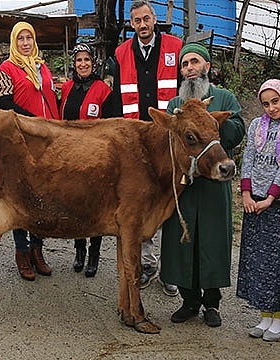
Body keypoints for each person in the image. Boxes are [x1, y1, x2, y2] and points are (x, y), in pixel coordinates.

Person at [160, 43, 246, 327]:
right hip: (185, 185)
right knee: (183, 241)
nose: (189, 69)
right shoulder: (175, 105)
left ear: (207, 67)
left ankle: (211, 303)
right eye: (184, 65)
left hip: (213, 185)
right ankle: (189, 301)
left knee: (211, 241)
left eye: (194, 62)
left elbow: (236, 132)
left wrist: (208, 123)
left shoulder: (224, 97)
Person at [110, 0, 182, 295]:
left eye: (146, 18)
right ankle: (147, 262)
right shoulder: (121, 52)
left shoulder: (176, 47)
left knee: (171, 198)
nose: (142, 24)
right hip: (136, 140)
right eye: (136, 20)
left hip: (169, 137)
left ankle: (172, 270)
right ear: (131, 24)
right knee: (140, 199)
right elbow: (117, 96)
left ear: (155, 19)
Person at [236, 79, 280, 341]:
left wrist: (271, 198)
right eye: (266, 103)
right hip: (254, 202)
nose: (271, 108)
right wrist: (246, 193)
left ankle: (278, 319)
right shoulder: (256, 125)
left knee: (275, 263)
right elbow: (248, 158)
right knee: (256, 261)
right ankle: (263, 316)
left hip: (277, 203)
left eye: (276, 101)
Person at [0, 21, 57, 281]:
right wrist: (34, 122)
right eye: (21, 39)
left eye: (29, 38)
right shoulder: (6, 69)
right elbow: (4, 105)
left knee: (42, 197)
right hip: (22, 140)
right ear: (13, 43)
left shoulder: (43, 67)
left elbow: (49, 97)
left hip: (47, 140)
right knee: (21, 197)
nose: (26, 43)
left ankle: (37, 250)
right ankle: (21, 252)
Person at [58, 42, 113, 277]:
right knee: (75, 205)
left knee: (95, 207)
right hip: (70, 158)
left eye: (87, 60)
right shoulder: (67, 87)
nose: (83, 64)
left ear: (94, 63)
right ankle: (79, 250)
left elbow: (111, 125)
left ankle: (94, 253)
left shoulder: (103, 90)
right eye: (79, 60)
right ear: (74, 64)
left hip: (95, 159)